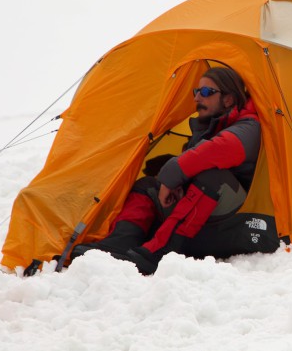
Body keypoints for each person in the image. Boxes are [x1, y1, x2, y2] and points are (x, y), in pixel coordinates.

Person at [72, 67, 261, 275]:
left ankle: (156, 253)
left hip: (236, 222)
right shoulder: (208, 127)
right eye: (196, 92)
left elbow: (218, 150)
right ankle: (118, 244)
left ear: (228, 99)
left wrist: (171, 173)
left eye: (207, 92)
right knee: (146, 187)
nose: (198, 97)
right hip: (202, 217)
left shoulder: (249, 126)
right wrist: (169, 180)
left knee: (212, 178)